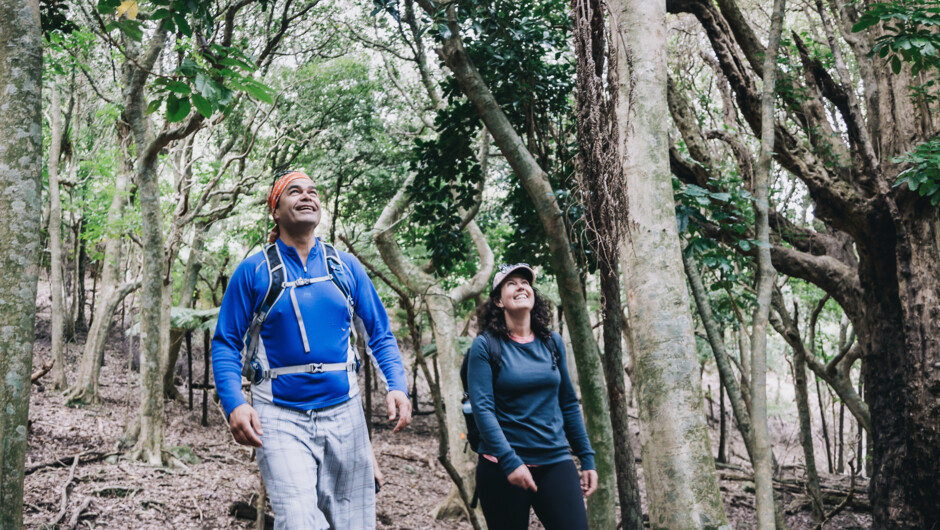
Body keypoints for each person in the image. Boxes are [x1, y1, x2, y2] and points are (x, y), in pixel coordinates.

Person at [212, 170, 412, 529]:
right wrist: (235, 403)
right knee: (300, 521)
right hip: (278, 415)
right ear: (275, 209)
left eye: (312, 191)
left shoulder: (345, 266)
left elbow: (379, 334)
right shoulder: (254, 271)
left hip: (345, 413)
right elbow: (226, 342)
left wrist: (397, 385)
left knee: (354, 522)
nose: (307, 196)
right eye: (294, 191)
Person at [467, 263, 598, 530]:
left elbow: (569, 404)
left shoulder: (552, 342)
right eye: (511, 283)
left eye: (525, 282)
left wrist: (587, 457)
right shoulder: (485, 346)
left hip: (554, 460)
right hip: (501, 466)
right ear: (498, 300)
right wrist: (510, 461)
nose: (521, 286)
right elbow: (483, 409)